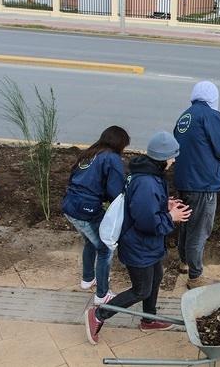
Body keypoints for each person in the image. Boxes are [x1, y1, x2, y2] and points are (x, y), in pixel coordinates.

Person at [84, 131, 191, 345]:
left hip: (147, 245)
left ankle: (148, 320)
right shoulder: (147, 183)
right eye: (173, 155)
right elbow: (146, 222)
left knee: (156, 277)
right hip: (138, 245)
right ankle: (98, 315)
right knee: (141, 289)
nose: (174, 159)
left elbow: (144, 208)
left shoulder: (148, 174)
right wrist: (171, 216)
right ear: (162, 158)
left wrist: (164, 205)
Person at [173, 81, 220, 289]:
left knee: (186, 226)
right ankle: (195, 276)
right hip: (203, 183)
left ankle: (184, 262)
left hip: (184, 180)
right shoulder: (211, 116)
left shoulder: (185, 116)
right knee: (199, 231)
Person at [62, 126, 130, 305]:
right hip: (86, 210)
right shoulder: (112, 158)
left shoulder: (89, 154)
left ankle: (87, 279)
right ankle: (102, 294)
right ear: (120, 144)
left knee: (90, 241)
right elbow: (115, 191)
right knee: (105, 248)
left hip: (70, 205)